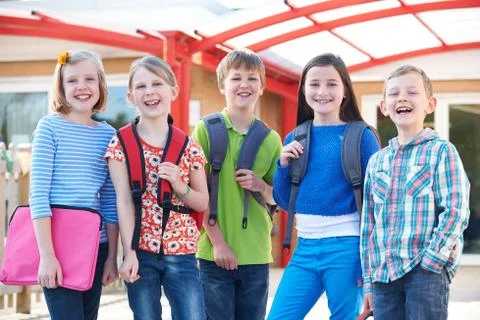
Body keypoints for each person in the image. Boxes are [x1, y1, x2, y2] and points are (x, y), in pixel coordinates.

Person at [268, 53, 380, 320]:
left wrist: (369, 271)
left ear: (344, 91)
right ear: (304, 90)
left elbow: (378, 203)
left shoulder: (362, 136)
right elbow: (285, 202)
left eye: (331, 84)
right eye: (314, 84)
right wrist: (282, 167)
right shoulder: (296, 137)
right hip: (305, 247)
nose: (322, 92)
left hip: (347, 248)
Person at [360, 65, 470, 320]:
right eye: (394, 93)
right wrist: (369, 281)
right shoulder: (377, 162)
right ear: (384, 106)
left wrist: (432, 261)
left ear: (430, 104)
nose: (402, 98)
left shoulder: (442, 152)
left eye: (412, 92)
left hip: (424, 273)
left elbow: (455, 211)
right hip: (383, 276)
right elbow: (369, 225)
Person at [106, 56, 209, 320]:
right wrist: (128, 253)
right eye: (141, 87)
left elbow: (201, 202)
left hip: (182, 252)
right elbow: (123, 201)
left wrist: (179, 185)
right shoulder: (120, 145)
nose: (149, 92)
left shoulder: (189, 147)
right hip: (141, 252)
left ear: (173, 91)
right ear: (131, 96)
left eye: (157, 84)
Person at [192, 48, 282, 320]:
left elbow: (278, 198)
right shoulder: (205, 130)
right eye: (236, 78)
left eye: (252, 78)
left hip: (256, 255)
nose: (244, 84)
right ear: (222, 85)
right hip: (213, 254)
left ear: (262, 87)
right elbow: (199, 193)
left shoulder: (271, 139)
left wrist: (261, 186)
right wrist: (218, 243)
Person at [29, 49, 119, 320]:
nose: (82, 87)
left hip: (96, 246)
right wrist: (47, 256)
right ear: (61, 86)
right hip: (57, 246)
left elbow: (109, 201)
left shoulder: (109, 135)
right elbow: (38, 196)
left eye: (90, 79)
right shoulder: (49, 128)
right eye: (72, 81)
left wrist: (112, 257)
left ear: (100, 85)